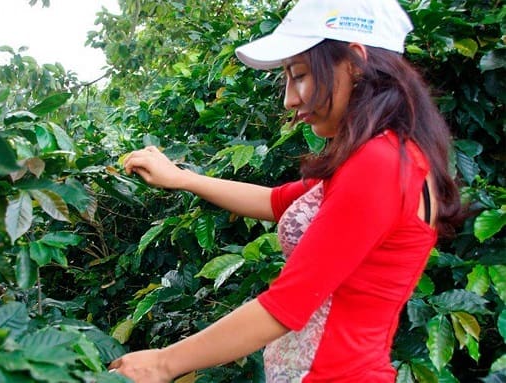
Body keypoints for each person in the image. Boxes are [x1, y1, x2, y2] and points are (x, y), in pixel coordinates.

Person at [109, 0, 463, 381]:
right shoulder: (384, 157)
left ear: (356, 64)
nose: (289, 99)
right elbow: (277, 200)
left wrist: (164, 363)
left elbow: (288, 303)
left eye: (300, 75)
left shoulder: (382, 163)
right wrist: (183, 178)